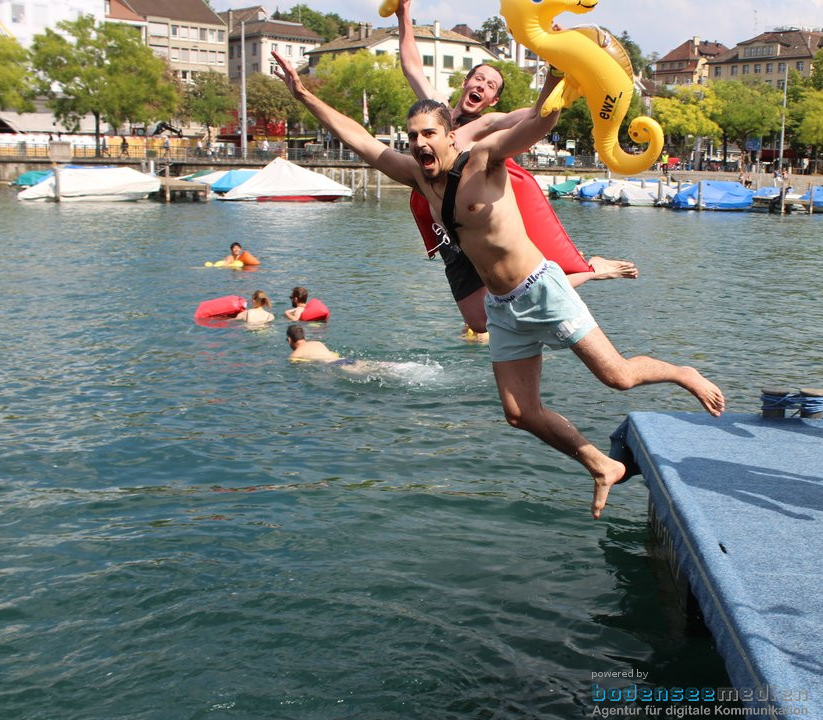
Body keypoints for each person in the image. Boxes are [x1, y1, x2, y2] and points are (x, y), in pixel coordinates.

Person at [273, 51, 725, 519]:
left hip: (541, 289)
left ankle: (684, 374)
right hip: (502, 308)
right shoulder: (417, 177)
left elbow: (538, 124)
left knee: (619, 378)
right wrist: (304, 93)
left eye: (429, 134)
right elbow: (359, 138)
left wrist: (554, 75)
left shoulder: (485, 161)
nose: (420, 144)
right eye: (412, 137)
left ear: (450, 135)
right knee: (518, 413)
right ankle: (601, 464)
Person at [392, 0, 637, 340]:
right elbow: (412, 66)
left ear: (492, 100)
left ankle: (592, 269)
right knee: (479, 321)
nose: (482, 86)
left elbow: (537, 113)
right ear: (465, 82)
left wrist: (560, 65)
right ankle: (579, 275)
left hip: (476, 216)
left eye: (491, 85)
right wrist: (404, 14)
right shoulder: (436, 114)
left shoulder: (487, 124)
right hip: (447, 220)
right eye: (479, 78)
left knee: (517, 286)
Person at [287, 325, 367, 369]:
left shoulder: (295, 355)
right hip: (343, 359)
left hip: (335, 365)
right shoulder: (317, 343)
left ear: (289, 339)